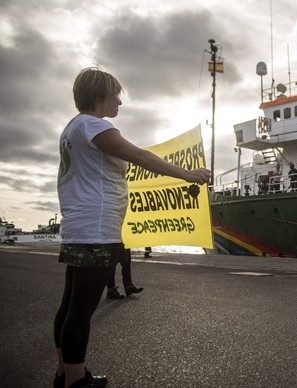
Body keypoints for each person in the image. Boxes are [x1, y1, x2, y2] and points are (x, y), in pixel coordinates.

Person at [53, 67, 210, 388]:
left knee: (70, 304)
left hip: (78, 228)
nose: (119, 102)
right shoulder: (95, 126)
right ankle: (75, 382)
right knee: (82, 309)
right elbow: (139, 155)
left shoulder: (72, 128)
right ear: (100, 95)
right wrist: (187, 174)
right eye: (115, 95)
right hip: (96, 230)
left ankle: (65, 373)